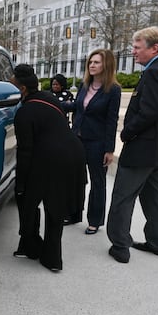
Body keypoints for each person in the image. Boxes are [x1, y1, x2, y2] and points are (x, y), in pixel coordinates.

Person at [107, 26, 158, 263]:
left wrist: (127, 132)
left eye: (137, 47)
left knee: (123, 196)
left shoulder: (154, 73)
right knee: (157, 196)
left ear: (154, 48)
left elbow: (151, 110)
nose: (133, 52)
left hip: (143, 148)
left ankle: (120, 246)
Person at [11, 64, 86, 272]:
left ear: (22, 89)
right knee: (55, 209)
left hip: (51, 160)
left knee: (27, 201)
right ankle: (52, 259)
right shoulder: (48, 98)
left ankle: (31, 247)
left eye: (12, 85)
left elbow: (25, 152)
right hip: (73, 154)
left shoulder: (24, 113)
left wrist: (21, 183)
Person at [63, 49, 121, 234]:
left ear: (107, 65)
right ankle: (72, 215)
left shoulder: (113, 90)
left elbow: (112, 121)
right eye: (90, 62)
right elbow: (77, 107)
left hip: (97, 143)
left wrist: (109, 149)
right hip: (77, 140)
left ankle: (95, 221)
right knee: (74, 179)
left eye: (96, 62)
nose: (92, 65)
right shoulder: (84, 84)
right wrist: (53, 102)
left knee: (98, 183)